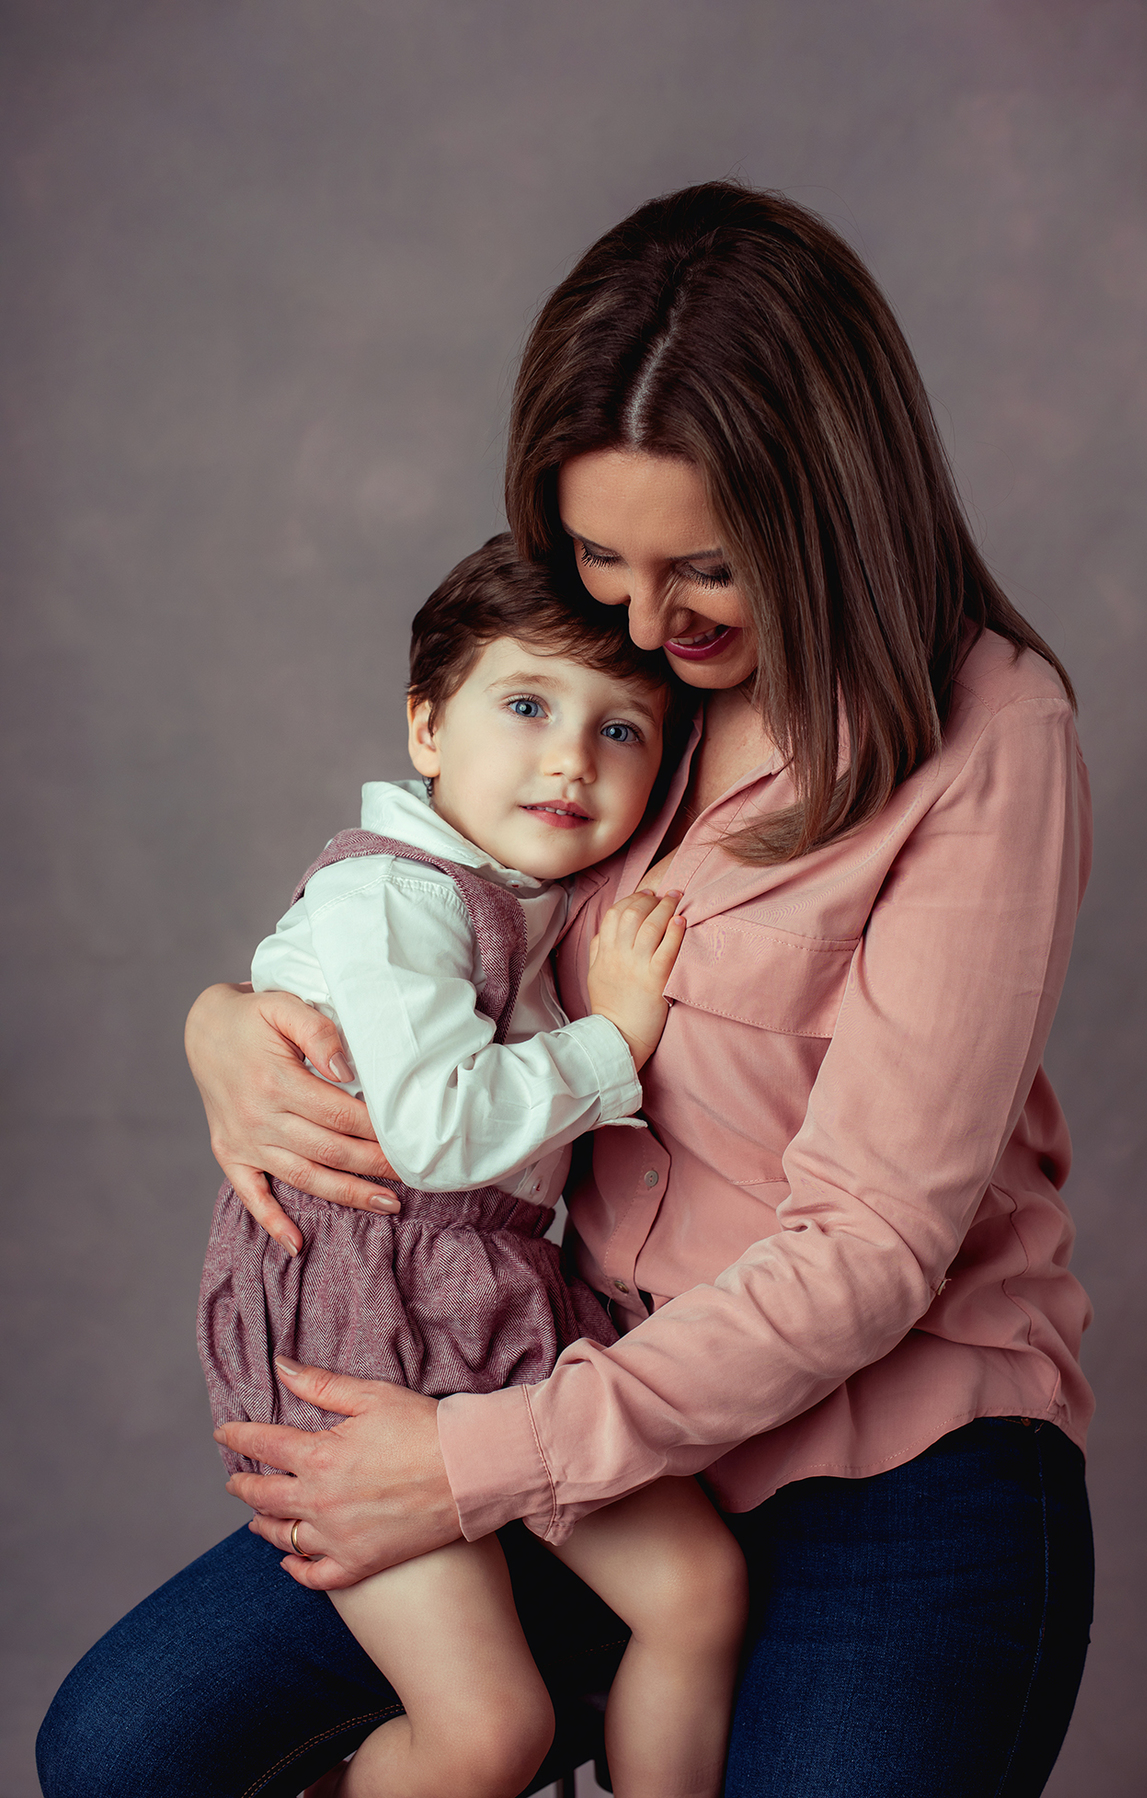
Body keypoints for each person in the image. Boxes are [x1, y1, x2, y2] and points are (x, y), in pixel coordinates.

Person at [38, 181, 1095, 1798]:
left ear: (830, 515)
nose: (647, 625)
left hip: (884, 1455)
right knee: (126, 1749)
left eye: (707, 573)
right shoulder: (604, 688)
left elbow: (874, 1243)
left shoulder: (989, 730)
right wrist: (225, 1027)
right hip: (558, 1362)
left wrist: (472, 1463)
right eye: (603, 557)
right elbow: (414, 923)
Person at [200, 533, 747, 1798]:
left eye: (625, 731)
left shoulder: (527, 894)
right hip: (357, 1329)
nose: (571, 755)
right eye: (526, 705)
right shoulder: (391, 897)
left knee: (697, 1591)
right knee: (489, 1729)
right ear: (426, 727)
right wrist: (617, 1038)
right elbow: (436, 1128)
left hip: (493, 1304)